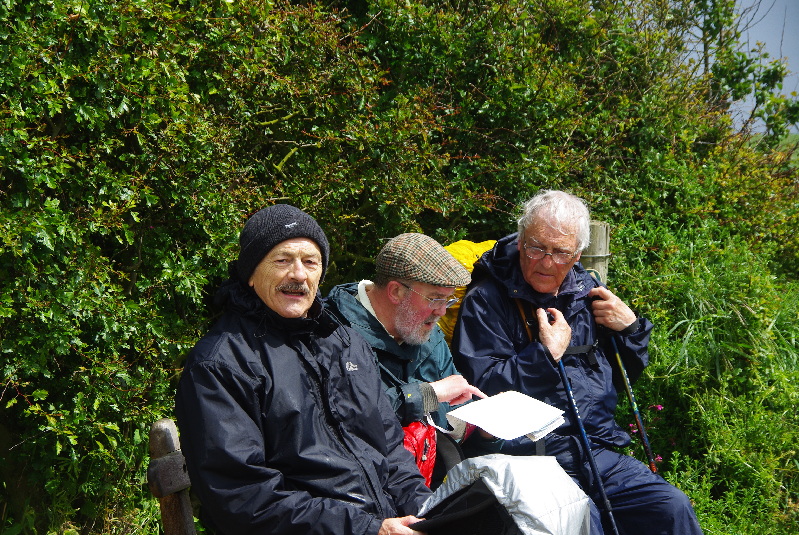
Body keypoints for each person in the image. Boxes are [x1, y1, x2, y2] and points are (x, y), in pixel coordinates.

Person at [452, 190, 703, 535]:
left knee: (670, 508)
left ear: (577, 254)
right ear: (521, 240)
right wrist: (543, 356)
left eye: (560, 252)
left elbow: (623, 377)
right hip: (530, 457)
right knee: (585, 523)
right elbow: (482, 391)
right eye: (537, 247)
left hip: (595, 448)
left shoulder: (587, 293)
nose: (545, 262)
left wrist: (630, 329)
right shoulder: (486, 300)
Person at [175, 205, 431, 535]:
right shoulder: (220, 365)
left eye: (310, 262)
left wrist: (424, 508)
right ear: (251, 274)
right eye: (282, 261)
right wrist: (370, 529)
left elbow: (390, 448)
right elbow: (245, 498)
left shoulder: (346, 343)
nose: (298, 274)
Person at [325, 233, 486, 486]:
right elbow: (343, 416)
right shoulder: (330, 333)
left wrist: (484, 428)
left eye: (449, 300)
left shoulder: (428, 335)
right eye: (435, 298)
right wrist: (427, 394)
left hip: (428, 485)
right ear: (396, 291)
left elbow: (450, 416)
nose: (442, 311)